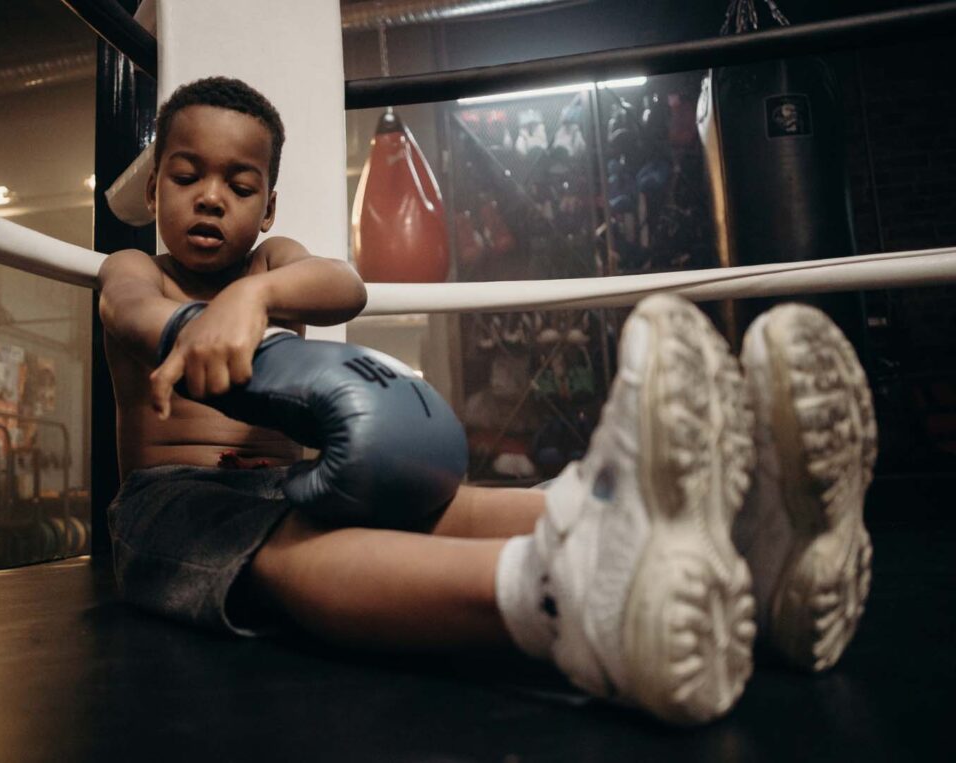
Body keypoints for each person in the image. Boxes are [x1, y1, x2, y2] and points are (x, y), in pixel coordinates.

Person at [98, 76, 876, 726]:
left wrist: (257, 296)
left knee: (448, 502)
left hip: (288, 481)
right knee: (290, 551)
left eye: (239, 185)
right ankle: (564, 595)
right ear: (156, 182)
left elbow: (345, 283)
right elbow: (127, 313)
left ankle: (747, 542)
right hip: (176, 502)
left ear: (266, 208)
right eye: (186, 175)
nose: (210, 199)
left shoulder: (271, 264)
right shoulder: (138, 266)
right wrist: (197, 322)